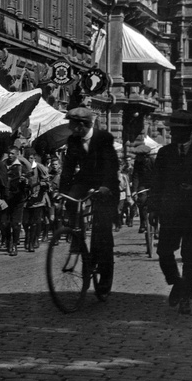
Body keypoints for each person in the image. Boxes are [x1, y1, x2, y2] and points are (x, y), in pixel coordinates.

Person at [149, 111, 192, 314]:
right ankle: (177, 283)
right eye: (174, 130)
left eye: (181, 130)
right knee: (163, 252)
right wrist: (153, 209)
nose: (176, 134)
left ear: (189, 131)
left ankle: (186, 297)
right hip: (169, 213)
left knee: (190, 258)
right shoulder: (164, 153)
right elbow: (156, 184)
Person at [59, 107, 119, 296]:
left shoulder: (104, 138)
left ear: (82, 125)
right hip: (85, 180)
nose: (70, 127)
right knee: (70, 198)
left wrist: (105, 186)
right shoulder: (73, 140)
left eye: (72, 124)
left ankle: (105, 277)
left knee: (102, 231)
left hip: (106, 184)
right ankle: (76, 234)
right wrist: (61, 192)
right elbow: (68, 168)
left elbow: (112, 165)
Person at [0, 146, 29, 256]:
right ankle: (8, 241)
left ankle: (15, 244)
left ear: (17, 154)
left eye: (12, 153)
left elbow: (29, 180)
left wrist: (24, 181)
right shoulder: (3, 165)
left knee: (16, 224)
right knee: (4, 223)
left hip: (18, 199)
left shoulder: (22, 166)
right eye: (9, 153)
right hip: (5, 198)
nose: (10, 155)